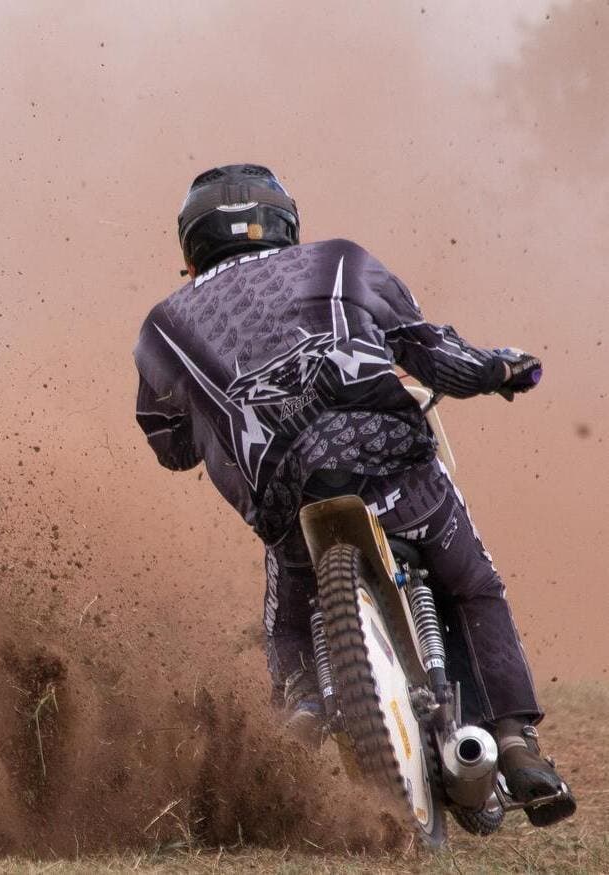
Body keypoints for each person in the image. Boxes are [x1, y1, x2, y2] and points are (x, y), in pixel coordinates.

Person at [133, 164, 575, 827]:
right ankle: (514, 743)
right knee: (474, 583)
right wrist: (502, 368)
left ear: (190, 248)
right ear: (286, 223)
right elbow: (430, 352)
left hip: (287, 499)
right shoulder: (339, 262)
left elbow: (169, 446)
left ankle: (301, 711)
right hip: (391, 464)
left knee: (288, 607)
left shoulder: (164, 326)